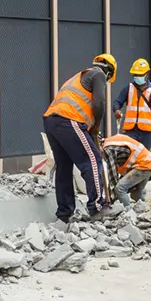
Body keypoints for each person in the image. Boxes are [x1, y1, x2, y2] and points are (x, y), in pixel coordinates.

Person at [43, 53, 118, 223]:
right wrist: (96, 127)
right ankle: (98, 207)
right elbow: (99, 104)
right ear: (108, 72)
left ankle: (64, 212)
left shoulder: (77, 77)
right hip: (69, 120)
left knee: (64, 166)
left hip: (51, 121)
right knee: (93, 160)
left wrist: (90, 130)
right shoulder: (98, 74)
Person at [113, 58, 151, 149]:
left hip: (147, 132)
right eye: (135, 74)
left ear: (147, 74)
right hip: (131, 131)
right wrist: (116, 110)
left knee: (143, 157)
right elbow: (117, 102)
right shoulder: (128, 89)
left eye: (140, 74)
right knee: (130, 155)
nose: (137, 76)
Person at [102, 134, 151, 211]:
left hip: (143, 165)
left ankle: (127, 213)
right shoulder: (109, 142)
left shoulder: (107, 150)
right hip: (149, 162)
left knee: (120, 189)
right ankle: (145, 210)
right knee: (136, 195)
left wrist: (110, 200)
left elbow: (113, 179)